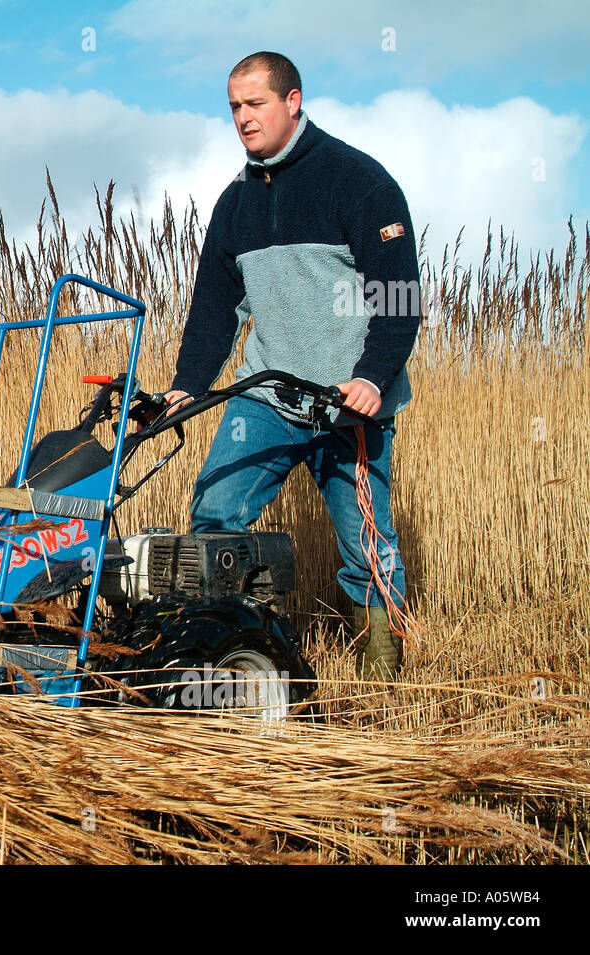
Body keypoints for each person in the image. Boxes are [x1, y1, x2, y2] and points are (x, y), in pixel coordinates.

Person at [163, 51, 420, 681]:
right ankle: (233, 657)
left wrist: (370, 378)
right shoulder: (235, 205)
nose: (242, 119)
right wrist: (186, 385)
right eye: (233, 107)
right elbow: (215, 309)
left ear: (293, 101)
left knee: (366, 548)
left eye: (255, 104)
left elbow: (399, 296)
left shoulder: (358, 181)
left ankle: (384, 678)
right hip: (268, 396)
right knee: (216, 515)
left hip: (345, 401)